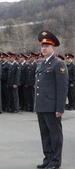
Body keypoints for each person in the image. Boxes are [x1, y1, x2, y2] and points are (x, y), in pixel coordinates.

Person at [35, 30, 68, 169]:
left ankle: (55, 161)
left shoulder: (58, 64)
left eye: (47, 46)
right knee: (45, 135)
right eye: (42, 46)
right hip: (42, 106)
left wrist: (60, 108)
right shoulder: (41, 64)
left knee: (55, 135)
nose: (44, 48)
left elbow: (62, 88)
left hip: (52, 106)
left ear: (53, 48)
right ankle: (47, 159)